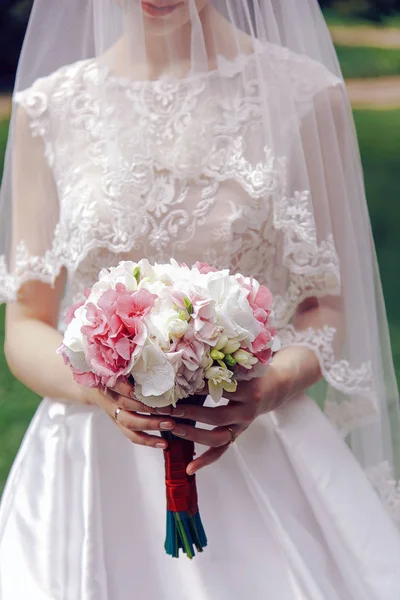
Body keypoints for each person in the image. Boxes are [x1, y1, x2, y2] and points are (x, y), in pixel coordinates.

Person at [1, 0, 400, 597]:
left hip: (256, 439)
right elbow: (26, 323)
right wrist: (100, 389)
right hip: (91, 466)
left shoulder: (304, 97)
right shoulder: (48, 111)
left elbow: (329, 307)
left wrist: (267, 386)